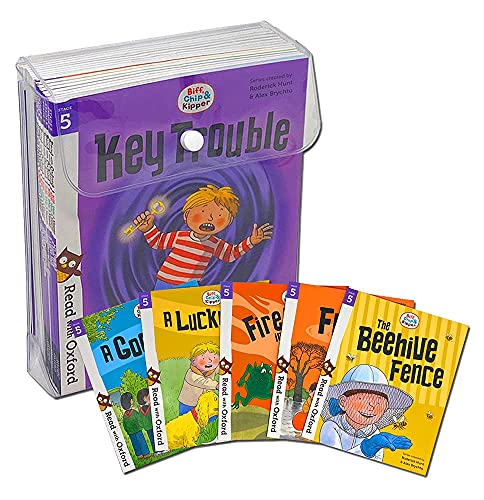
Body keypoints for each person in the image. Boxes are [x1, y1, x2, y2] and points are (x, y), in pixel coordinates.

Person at [133, 185, 273, 289]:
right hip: (164, 282)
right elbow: (158, 242)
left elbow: (230, 254)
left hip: (189, 287)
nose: (210, 218)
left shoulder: (214, 243)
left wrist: (251, 241)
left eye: (219, 215)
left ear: (228, 222)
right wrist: (148, 229)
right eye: (203, 212)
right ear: (186, 215)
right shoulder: (180, 237)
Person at [319, 364, 413, 461]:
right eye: (362, 399)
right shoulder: (331, 426)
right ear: (343, 402)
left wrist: (373, 447)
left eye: (378, 402)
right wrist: (366, 449)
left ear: (385, 408)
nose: (372, 407)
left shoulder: (376, 434)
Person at [178, 342, 220, 423]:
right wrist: (216, 385)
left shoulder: (212, 370)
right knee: (187, 421)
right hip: (189, 403)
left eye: (214, 357)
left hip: (206, 403)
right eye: (204, 358)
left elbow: (221, 368)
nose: (210, 361)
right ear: (193, 361)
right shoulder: (191, 374)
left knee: (210, 419)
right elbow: (202, 382)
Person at [120, 392, 150, 459]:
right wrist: (142, 426)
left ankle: (139, 455)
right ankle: (146, 453)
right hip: (138, 431)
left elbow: (124, 425)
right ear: (130, 402)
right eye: (131, 400)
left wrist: (128, 431)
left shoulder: (124, 416)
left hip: (131, 433)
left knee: (135, 443)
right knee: (141, 441)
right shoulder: (134, 412)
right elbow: (139, 420)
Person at [136, 388, 156, 454]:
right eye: (149, 396)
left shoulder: (140, 411)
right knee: (156, 438)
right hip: (153, 426)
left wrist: (144, 426)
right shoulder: (151, 408)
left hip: (147, 428)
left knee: (152, 439)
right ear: (145, 399)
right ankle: (160, 450)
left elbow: (140, 421)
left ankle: (155, 451)